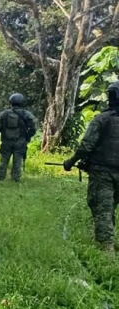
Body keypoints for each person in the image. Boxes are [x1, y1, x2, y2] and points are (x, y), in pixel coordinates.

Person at [64, 82, 119, 256]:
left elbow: (86, 146)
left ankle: (107, 249)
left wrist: (71, 161)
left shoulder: (102, 119)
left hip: (102, 172)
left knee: (103, 208)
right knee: (111, 206)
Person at [0, 93, 37, 182]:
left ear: (11, 102)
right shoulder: (26, 114)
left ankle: (0, 178)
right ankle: (15, 179)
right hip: (20, 142)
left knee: (4, 160)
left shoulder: (4, 114)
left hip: (6, 141)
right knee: (17, 161)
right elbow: (33, 128)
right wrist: (27, 137)